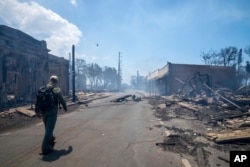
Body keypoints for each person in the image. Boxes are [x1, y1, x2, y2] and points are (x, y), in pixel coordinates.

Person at [35, 75, 67, 155]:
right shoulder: (56, 89)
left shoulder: (43, 88)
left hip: (43, 111)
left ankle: (51, 140)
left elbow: (38, 100)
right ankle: (45, 149)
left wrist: (37, 111)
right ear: (56, 82)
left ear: (49, 80)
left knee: (47, 128)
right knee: (49, 129)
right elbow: (62, 99)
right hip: (52, 111)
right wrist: (65, 107)